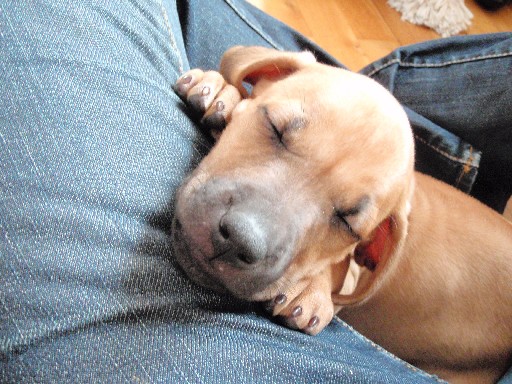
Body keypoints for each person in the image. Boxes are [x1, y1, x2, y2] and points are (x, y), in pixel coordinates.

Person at [1, 0, 510, 382]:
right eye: (279, 132)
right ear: (258, 79)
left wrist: (323, 282)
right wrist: (226, 97)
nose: (248, 231)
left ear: (371, 251)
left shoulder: (372, 228)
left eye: (343, 219)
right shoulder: (272, 92)